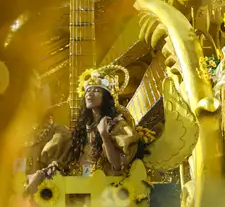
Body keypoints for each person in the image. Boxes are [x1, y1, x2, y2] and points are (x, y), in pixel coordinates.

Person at [24, 66, 139, 195]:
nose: (90, 94)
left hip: (103, 188)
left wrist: (104, 135)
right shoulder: (83, 127)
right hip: (76, 182)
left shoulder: (117, 124)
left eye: (96, 91)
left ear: (106, 97)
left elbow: (118, 165)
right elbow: (71, 159)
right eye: (88, 90)